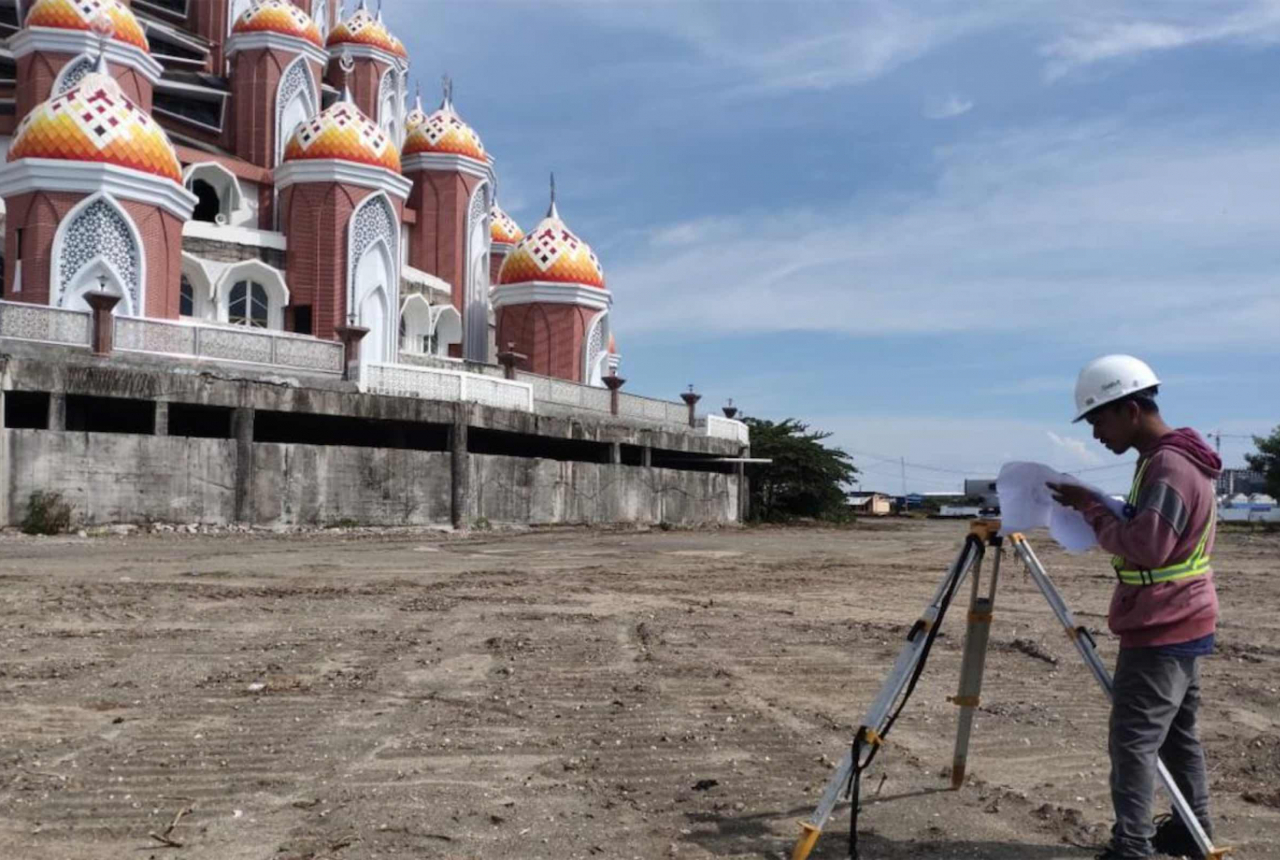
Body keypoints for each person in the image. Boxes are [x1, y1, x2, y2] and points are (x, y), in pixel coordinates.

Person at [1047, 354, 1221, 860]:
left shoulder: (1167, 466)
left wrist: (1093, 508)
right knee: (1176, 737)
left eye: (1098, 418)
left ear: (1130, 409)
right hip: (1181, 616)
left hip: (1163, 622)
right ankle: (1192, 831)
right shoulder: (1170, 459)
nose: (1096, 432)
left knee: (1134, 741)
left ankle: (1133, 847)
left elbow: (1147, 547)